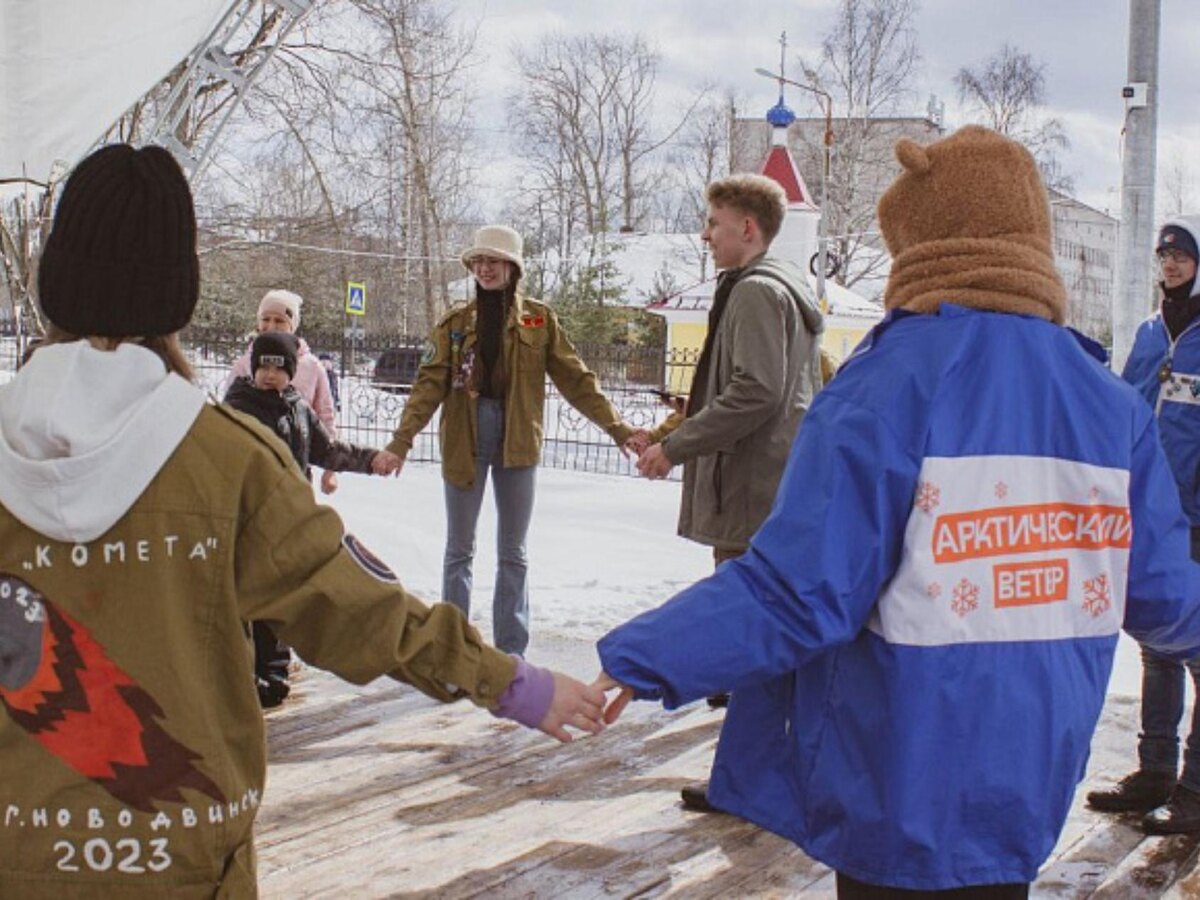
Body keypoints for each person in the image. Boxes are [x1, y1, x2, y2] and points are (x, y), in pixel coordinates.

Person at [593, 126, 1200, 897]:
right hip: (1030, 778)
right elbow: (1164, 596)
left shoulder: (887, 384)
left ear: (923, 242)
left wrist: (645, 655)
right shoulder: (1112, 408)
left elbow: (798, 591)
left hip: (897, 777)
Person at [0, 144, 606, 897]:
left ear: (55, 279)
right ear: (178, 293)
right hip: (179, 856)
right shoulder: (229, 461)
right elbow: (361, 608)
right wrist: (510, 682)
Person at [373, 225, 634, 658]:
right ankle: (454, 649)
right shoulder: (455, 324)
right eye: (479, 261)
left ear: (513, 267)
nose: (485, 268)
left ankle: (512, 654)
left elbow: (576, 380)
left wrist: (618, 428)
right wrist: (401, 442)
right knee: (459, 550)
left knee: (514, 552)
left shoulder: (539, 320)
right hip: (465, 437)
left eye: (493, 261)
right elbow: (427, 386)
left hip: (518, 440)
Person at [629, 173, 822, 747]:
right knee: (762, 621)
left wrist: (674, 448)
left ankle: (747, 771)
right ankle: (758, 763)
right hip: (771, 480)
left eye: (714, 223)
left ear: (748, 228)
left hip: (751, 484)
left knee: (750, 624)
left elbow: (755, 392)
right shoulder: (781, 285)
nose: (705, 234)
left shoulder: (757, 291)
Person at [1088, 216, 1200, 834]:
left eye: (1182, 256)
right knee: (1158, 641)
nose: (1171, 265)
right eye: (1164, 256)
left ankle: (1195, 790)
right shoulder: (1151, 331)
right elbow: (1126, 408)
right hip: (1153, 510)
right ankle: (1154, 770)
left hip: (1197, 514)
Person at [224, 331, 384, 708]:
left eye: (279, 369)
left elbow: (327, 450)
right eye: (263, 367)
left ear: (292, 372)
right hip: (249, 518)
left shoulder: (297, 407)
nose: (270, 375)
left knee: (282, 596)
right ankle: (242, 672)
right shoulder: (239, 406)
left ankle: (273, 671)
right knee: (248, 597)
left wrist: (371, 460)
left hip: (288, 518)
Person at [226, 288, 341, 495]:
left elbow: (326, 417)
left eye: (279, 320)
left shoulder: (311, 366)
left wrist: (330, 471)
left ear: (292, 325)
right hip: (251, 475)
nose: (271, 326)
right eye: (266, 319)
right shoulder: (244, 364)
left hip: (295, 474)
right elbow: (227, 417)